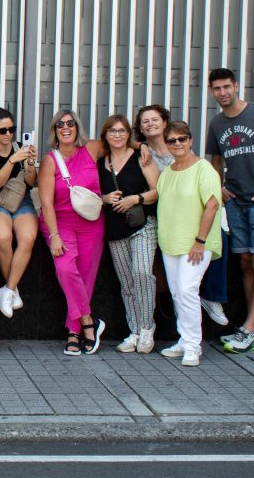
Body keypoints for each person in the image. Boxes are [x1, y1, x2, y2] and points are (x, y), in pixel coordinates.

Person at [205, 68, 254, 354]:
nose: (223, 93)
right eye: (217, 89)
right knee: (246, 262)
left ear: (236, 86)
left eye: (227, 87)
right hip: (236, 201)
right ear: (211, 92)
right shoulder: (217, 124)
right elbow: (215, 161)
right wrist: (219, 187)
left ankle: (248, 328)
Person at [139, 103, 229, 327]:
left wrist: (200, 240)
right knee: (178, 288)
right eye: (145, 121)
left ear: (165, 123)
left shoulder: (191, 158)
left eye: (155, 119)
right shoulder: (141, 150)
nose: (150, 124)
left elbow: (206, 194)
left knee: (219, 240)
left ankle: (211, 297)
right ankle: (184, 336)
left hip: (191, 220)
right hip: (161, 218)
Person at [37, 109, 108, 356]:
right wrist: (54, 235)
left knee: (86, 277)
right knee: (66, 269)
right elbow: (46, 202)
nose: (65, 128)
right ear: (54, 131)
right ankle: (89, 322)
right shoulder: (50, 160)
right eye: (60, 124)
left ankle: (73, 332)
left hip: (91, 222)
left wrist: (139, 147)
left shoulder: (92, 148)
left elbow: (120, 141)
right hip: (60, 222)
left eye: (70, 123)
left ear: (77, 127)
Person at [155, 121, 222, 366]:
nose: (177, 144)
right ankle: (184, 340)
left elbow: (212, 204)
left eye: (181, 139)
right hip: (171, 242)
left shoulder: (204, 168)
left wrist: (200, 241)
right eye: (172, 140)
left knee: (186, 289)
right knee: (177, 293)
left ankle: (193, 345)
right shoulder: (168, 172)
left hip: (197, 244)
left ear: (191, 140)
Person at [97, 114, 160, 354]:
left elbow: (158, 190)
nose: (117, 135)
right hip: (114, 229)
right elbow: (93, 194)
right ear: (106, 134)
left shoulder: (141, 158)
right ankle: (134, 331)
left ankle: (146, 328)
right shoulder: (100, 162)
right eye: (112, 131)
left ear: (128, 134)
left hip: (142, 225)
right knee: (127, 283)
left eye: (122, 131)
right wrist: (104, 198)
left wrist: (137, 198)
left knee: (143, 274)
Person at [0, 107, 37, 319]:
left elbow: (32, 182)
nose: (8, 134)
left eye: (11, 129)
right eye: (2, 130)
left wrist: (30, 163)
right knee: (3, 237)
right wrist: (13, 159)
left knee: (28, 238)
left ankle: (8, 289)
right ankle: (12, 291)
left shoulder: (23, 148)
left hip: (23, 200)